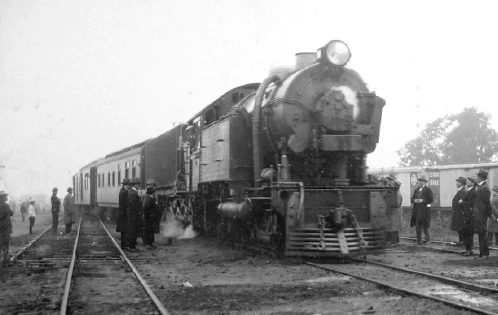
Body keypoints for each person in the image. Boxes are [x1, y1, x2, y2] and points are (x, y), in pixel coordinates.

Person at [474, 169, 492, 259]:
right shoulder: (482, 187)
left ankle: (485, 254)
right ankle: (483, 254)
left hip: (482, 215)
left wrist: (489, 214)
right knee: (481, 234)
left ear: (481, 177)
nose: (476, 178)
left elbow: (487, 203)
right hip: (479, 214)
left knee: (483, 234)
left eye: (477, 176)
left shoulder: (485, 188)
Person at [410, 174, 434, 245]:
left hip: (425, 211)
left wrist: (422, 201)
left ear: (424, 182)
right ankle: (419, 241)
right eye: (419, 181)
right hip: (417, 211)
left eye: (421, 181)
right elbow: (412, 199)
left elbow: (431, 200)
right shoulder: (416, 190)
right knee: (418, 226)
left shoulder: (428, 190)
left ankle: (428, 240)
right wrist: (415, 200)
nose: (420, 182)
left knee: (426, 226)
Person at [460, 177, 478, 256]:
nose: (467, 182)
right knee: (467, 233)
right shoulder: (470, 191)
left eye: (469, 181)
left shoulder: (473, 192)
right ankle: (469, 249)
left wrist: (462, 202)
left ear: (473, 183)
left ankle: (469, 250)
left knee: (468, 233)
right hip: (467, 214)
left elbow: (471, 203)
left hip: (469, 215)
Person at [127, 177, 143, 252]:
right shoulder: (133, 193)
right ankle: (132, 247)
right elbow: (133, 205)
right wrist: (138, 213)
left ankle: (132, 246)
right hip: (134, 215)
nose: (139, 185)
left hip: (132, 215)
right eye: (138, 184)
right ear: (135, 184)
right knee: (133, 231)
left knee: (133, 231)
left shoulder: (132, 192)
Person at [450, 177, 467, 245]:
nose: (456, 183)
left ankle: (462, 241)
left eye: (458, 182)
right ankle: (461, 240)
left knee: (461, 227)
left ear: (461, 183)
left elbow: (463, 202)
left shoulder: (463, 191)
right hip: (457, 212)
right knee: (459, 226)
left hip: (460, 212)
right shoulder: (460, 190)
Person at [386, 176, 402, 245]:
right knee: (393, 227)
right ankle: (395, 241)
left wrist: (391, 206)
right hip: (394, 212)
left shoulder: (397, 194)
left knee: (393, 227)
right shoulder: (394, 193)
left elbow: (397, 204)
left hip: (394, 212)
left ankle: (394, 242)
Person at [142, 185, 158, 249]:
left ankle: (150, 244)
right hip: (149, 218)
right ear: (152, 192)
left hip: (150, 218)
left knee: (150, 231)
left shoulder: (149, 198)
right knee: (148, 231)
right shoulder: (149, 199)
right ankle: (148, 244)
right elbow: (146, 209)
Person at [117, 178, 131, 250]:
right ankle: (125, 245)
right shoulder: (125, 192)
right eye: (129, 185)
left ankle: (124, 245)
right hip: (124, 214)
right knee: (125, 230)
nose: (130, 186)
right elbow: (125, 204)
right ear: (127, 185)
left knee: (124, 231)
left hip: (122, 213)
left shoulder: (123, 190)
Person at [0, 191, 13, 267]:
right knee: (5, 244)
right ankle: (6, 261)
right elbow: (11, 213)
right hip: (5, 227)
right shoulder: (5, 205)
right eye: (5, 196)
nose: (6, 197)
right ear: (1, 197)